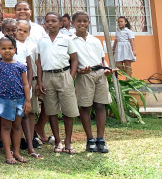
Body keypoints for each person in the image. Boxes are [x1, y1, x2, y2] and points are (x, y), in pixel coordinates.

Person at [36, 12, 79, 155]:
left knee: (68, 110)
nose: (50, 24)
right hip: (48, 77)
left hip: (64, 75)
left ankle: (68, 141)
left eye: (53, 21)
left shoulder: (67, 39)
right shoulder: (41, 41)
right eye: (47, 21)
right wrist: (40, 81)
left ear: (61, 23)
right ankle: (58, 140)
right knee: (51, 110)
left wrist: (70, 77)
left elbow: (74, 59)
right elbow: (39, 63)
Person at [69, 11, 112, 153]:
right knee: (86, 106)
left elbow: (101, 59)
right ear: (73, 23)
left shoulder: (95, 40)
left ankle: (101, 138)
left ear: (88, 23)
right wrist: (79, 72)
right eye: (78, 21)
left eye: (85, 21)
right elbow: (70, 61)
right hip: (84, 75)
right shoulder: (70, 40)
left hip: (99, 73)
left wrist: (106, 69)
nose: (82, 24)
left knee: (100, 105)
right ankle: (90, 139)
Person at [0, 35, 30, 165]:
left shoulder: (21, 66)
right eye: (4, 48)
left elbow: (25, 84)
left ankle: (17, 152)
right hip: (4, 100)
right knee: (6, 126)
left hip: (19, 99)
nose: (7, 51)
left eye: (10, 48)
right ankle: (8, 153)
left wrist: (28, 101)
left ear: (15, 49)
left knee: (17, 126)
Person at [13, 20, 43, 159]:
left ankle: (30, 143)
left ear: (29, 33)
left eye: (25, 31)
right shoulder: (10, 44)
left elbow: (31, 67)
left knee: (26, 113)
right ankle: (16, 146)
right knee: (14, 116)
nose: (21, 32)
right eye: (19, 29)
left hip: (26, 84)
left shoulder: (30, 46)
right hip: (11, 85)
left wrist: (29, 85)